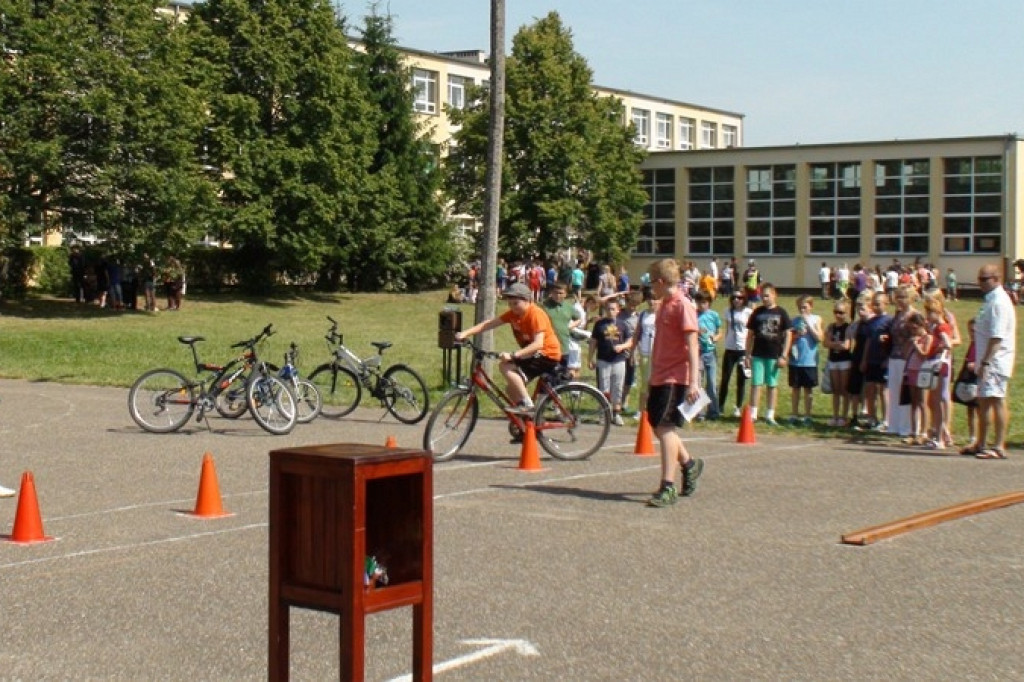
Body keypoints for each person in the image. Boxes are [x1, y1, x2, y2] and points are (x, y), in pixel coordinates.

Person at [454, 282, 563, 421]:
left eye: (516, 303)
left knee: (505, 366)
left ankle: (528, 406)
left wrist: (513, 355)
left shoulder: (535, 314)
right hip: (533, 353)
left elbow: (538, 344)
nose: (512, 307)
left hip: (547, 354)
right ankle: (526, 424)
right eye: (510, 304)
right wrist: (465, 333)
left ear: (528, 300)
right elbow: (489, 324)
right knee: (511, 389)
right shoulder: (513, 314)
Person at [644, 258, 703, 508]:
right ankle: (689, 463)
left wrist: (694, 382)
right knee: (657, 425)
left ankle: (667, 486)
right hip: (659, 374)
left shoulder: (683, 305)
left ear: (660, 281)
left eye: (651, 283)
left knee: (666, 427)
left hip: (676, 376)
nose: (649, 289)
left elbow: (692, 345)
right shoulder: (664, 305)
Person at [961, 264, 1016, 459]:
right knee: (983, 401)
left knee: (997, 400)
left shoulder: (999, 302)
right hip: (986, 359)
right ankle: (981, 443)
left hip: (995, 361)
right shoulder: (990, 300)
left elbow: (997, 336)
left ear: (997, 278)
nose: (981, 283)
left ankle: (999, 445)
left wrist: (985, 362)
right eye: (979, 279)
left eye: (985, 279)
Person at [744, 283, 792, 426]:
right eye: (762, 296)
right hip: (758, 354)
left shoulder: (781, 313)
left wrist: (784, 354)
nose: (764, 298)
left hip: (774, 355)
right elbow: (750, 335)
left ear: (774, 295)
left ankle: (770, 414)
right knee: (756, 384)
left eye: (767, 295)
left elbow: (788, 334)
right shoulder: (757, 312)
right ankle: (753, 413)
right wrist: (747, 355)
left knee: (772, 385)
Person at [588, 298, 632, 426]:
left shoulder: (623, 324)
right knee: (603, 387)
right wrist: (590, 358)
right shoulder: (599, 324)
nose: (610, 311)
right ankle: (603, 413)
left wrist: (622, 347)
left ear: (618, 310)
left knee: (617, 387)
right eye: (608, 309)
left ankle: (616, 413)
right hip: (603, 360)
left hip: (619, 360)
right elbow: (593, 342)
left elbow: (630, 341)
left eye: (613, 309)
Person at [884, 284, 918, 437]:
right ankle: (893, 425)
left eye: (903, 297)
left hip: (908, 357)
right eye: (898, 297)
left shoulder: (914, 315)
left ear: (911, 298)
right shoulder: (897, 315)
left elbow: (917, 336)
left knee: (905, 394)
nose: (900, 300)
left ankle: (906, 427)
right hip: (894, 356)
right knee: (894, 392)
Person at [922, 295, 954, 450]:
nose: (927, 316)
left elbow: (948, 343)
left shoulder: (941, 327)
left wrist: (942, 349)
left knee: (940, 400)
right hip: (939, 364)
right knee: (935, 399)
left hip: (940, 365)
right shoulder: (937, 327)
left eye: (929, 313)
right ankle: (940, 433)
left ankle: (940, 436)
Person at [859, 292, 892, 431]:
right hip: (871, 359)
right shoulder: (871, 322)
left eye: (878, 303)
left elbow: (892, 341)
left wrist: (887, 358)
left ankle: (886, 420)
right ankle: (872, 418)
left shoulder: (889, 320)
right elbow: (868, 341)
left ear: (886, 304)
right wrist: (864, 359)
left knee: (883, 389)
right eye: (874, 303)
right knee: (870, 388)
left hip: (882, 359)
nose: (876, 306)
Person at [787, 295, 821, 425]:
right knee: (795, 388)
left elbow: (819, 338)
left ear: (811, 307)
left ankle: (807, 415)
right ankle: (794, 414)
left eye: (805, 307)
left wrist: (808, 324)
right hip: (795, 360)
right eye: (800, 307)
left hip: (809, 361)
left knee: (808, 389)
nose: (802, 310)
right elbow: (789, 338)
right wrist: (796, 335)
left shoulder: (816, 319)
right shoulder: (794, 320)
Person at [719, 291, 751, 418]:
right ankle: (720, 405)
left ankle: (738, 406)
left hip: (742, 348)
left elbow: (750, 331)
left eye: (740, 298)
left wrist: (749, 350)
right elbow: (727, 328)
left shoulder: (748, 312)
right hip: (730, 348)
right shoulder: (728, 311)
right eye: (734, 297)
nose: (737, 300)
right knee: (725, 378)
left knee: (741, 379)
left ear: (744, 299)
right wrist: (726, 341)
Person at [902, 312, 932, 446]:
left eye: (915, 328)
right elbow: (904, 354)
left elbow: (924, 354)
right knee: (913, 402)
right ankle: (914, 431)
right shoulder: (913, 338)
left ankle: (924, 432)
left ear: (921, 326)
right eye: (911, 329)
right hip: (911, 370)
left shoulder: (927, 337)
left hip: (923, 371)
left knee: (922, 402)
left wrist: (916, 345)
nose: (913, 331)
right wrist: (909, 345)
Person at [540, 282, 583, 371]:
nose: (558, 295)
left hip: (564, 346)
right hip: (548, 347)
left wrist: (571, 326)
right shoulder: (544, 305)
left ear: (565, 294)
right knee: (548, 376)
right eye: (555, 292)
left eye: (561, 293)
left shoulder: (568, 306)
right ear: (551, 293)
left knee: (562, 376)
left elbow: (579, 318)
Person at [824, 299, 853, 426]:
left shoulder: (847, 327)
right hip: (833, 360)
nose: (838, 315)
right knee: (835, 390)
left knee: (844, 389)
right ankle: (835, 416)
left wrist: (833, 344)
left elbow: (846, 345)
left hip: (844, 361)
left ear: (846, 313)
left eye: (841, 312)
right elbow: (825, 342)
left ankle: (844, 416)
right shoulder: (831, 326)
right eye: (836, 312)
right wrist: (836, 344)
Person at [694, 291, 722, 420]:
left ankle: (713, 410)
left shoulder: (714, 315)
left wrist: (715, 337)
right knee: (698, 382)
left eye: (704, 302)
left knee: (711, 382)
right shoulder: (694, 315)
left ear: (709, 303)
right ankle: (699, 411)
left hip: (710, 352)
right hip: (698, 352)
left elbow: (720, 331)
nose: (701, 305)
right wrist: (698, 332)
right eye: (699, 302)